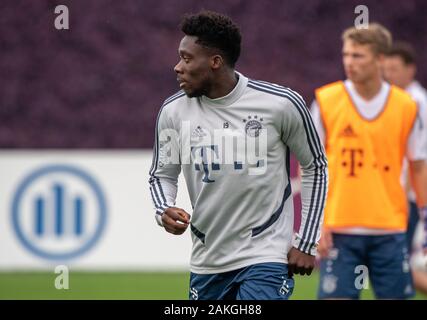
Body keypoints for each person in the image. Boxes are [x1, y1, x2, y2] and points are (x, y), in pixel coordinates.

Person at [148, 10, 328, 300]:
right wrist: (163, 210)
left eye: (187, 58)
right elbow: (161, 175)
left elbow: (316, 167)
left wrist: (306, 241)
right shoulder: (172, 112)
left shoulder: (281, 104)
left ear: (215, 62)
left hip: (265, 254)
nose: (177, 67)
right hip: (207, 260)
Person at [310, 23, 427, 299]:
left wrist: (425, 215)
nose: (349, 62)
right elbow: (313, 167)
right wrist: (317, 223)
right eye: (346, 55)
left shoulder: (407, 106)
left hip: (390, 227)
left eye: (358, 56)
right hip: (339, 228)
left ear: (380, 59)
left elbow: (419, 165)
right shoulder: (326, 101)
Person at [383, 41, 427, 294]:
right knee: (397, 266)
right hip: (399, 196)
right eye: (386, 69)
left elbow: (416, 158)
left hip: (406, 198)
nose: (389, 75)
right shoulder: (398, 100)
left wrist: (402, 197)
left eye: (395, 69)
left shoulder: (415, 102)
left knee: (398, 266)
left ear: (411, 70)